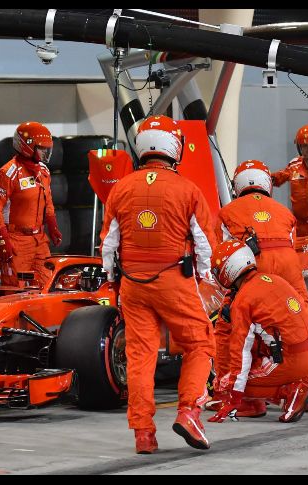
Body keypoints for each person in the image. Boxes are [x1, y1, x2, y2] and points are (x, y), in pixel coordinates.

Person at [100, 115, 216, 454]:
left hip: (132, 285)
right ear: (173, 147)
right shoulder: (187, 189)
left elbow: (108, 244)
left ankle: (143, 434)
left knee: (139, 356)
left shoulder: (121, 188)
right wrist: (205, 276)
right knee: (200, 344)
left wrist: (111, 279)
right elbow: (205, 243)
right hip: (173, 282)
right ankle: (190, 411)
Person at [208, 240, 308, 424]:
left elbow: (240, 352)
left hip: (292, 359)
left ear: (228, 270)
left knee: (228, 382)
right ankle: (287, 391)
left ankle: (291, 391)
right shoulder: (274, 279)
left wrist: (232, 397)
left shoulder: (243, 300)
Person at [217, 159, 308, 309]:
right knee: (301, 308)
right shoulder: (285, 212)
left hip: (254, 264)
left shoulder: (226, 213)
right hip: (288, 262)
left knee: (252, 313)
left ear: (237, 185)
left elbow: (223, 253)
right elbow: (292, 244)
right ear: (267, 182)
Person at [0, 122, 62, 288]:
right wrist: (2, 237)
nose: (46, 152)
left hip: (39, 240)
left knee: (46, 287)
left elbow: (48, 200)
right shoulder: (7, 173)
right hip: (16, 241)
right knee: (15, 291)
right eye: (42, 148)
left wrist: (52, 224)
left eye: (47, 148)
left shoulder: (44, 171)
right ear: (27, 147)